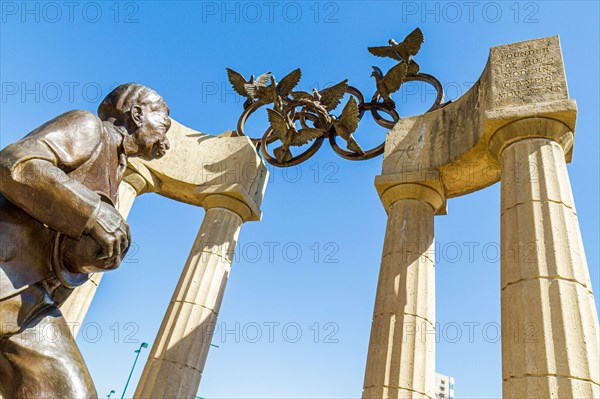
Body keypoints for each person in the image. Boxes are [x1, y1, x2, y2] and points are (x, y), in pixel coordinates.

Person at [0, 83, 171, 398]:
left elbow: (59, 242)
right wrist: (93, 214)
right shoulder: (88, 126)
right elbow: (15, 164)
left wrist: (96, 254)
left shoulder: (115, 167)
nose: (167, 138)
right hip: (9, 280)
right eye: (164, 124)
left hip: (27, 299)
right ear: (137, 114)